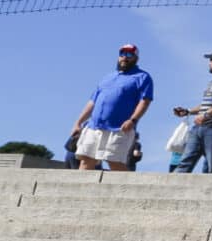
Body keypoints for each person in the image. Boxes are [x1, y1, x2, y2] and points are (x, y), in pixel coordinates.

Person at [66, 43, 153, 172]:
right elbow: (92, 102)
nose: (125, 57)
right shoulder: (107, 77)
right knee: (86, 160)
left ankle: (127, 191)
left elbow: (145, 102)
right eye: (122, 54)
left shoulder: (143, 77)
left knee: (115, 162)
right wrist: (78, 122)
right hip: (94, 127)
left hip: (119, 128)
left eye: (129, 54)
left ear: (136, 58)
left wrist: (133, 120)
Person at [170, 49, 212, 173]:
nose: (209, 63)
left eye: (211, 60)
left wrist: (207, 115)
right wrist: (188, 111)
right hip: (198, 128)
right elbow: (206, 104)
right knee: (184, 163)